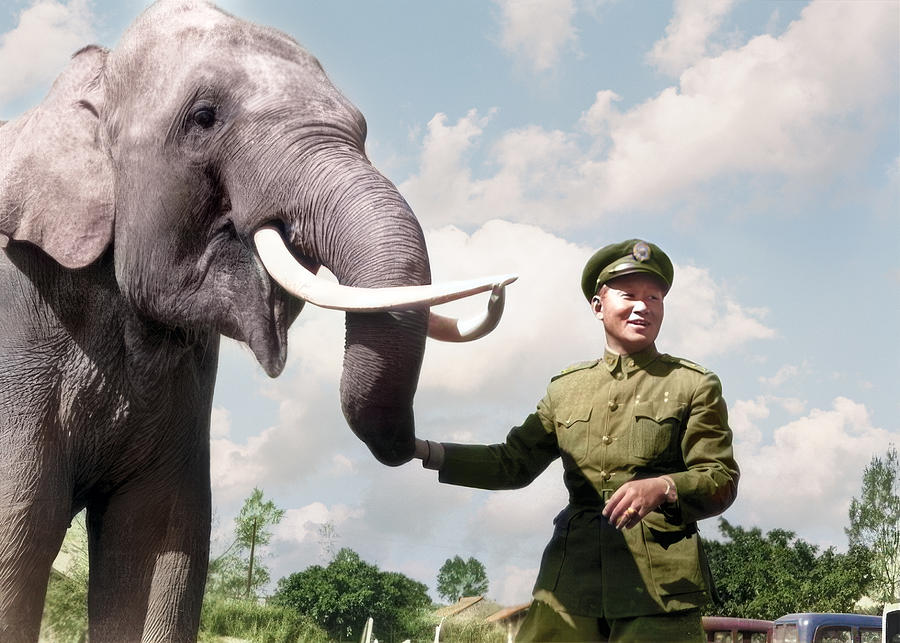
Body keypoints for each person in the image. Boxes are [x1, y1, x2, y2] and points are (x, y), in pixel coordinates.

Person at [413, 239, 739, 643]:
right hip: (570, 581)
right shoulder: (567, 389)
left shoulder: (693, 385)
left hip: (660, 590)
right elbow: (513, 463)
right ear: (598, 306)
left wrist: (665, 486)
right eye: (630, 295)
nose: (643, 307)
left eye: (654, 297)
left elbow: (720, 478)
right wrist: (424, 450)